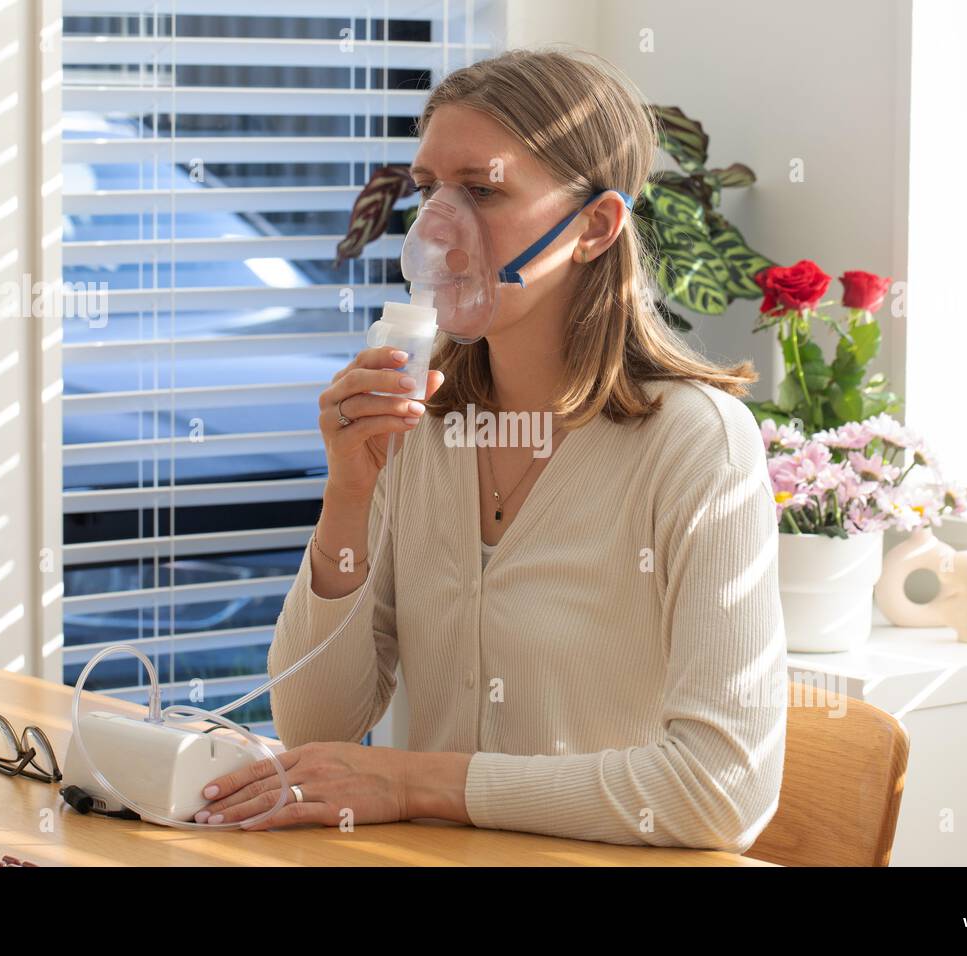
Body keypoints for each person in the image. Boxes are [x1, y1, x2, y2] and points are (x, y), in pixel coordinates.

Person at [197, 47, 787, 852]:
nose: (437, 231)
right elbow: (316, 722)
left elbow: (723, 791)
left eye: (482, 190)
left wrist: (414, 783)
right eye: (428, 190)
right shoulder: (423, 424)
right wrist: (347, 498)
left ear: (594, 227)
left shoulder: (696, 446)